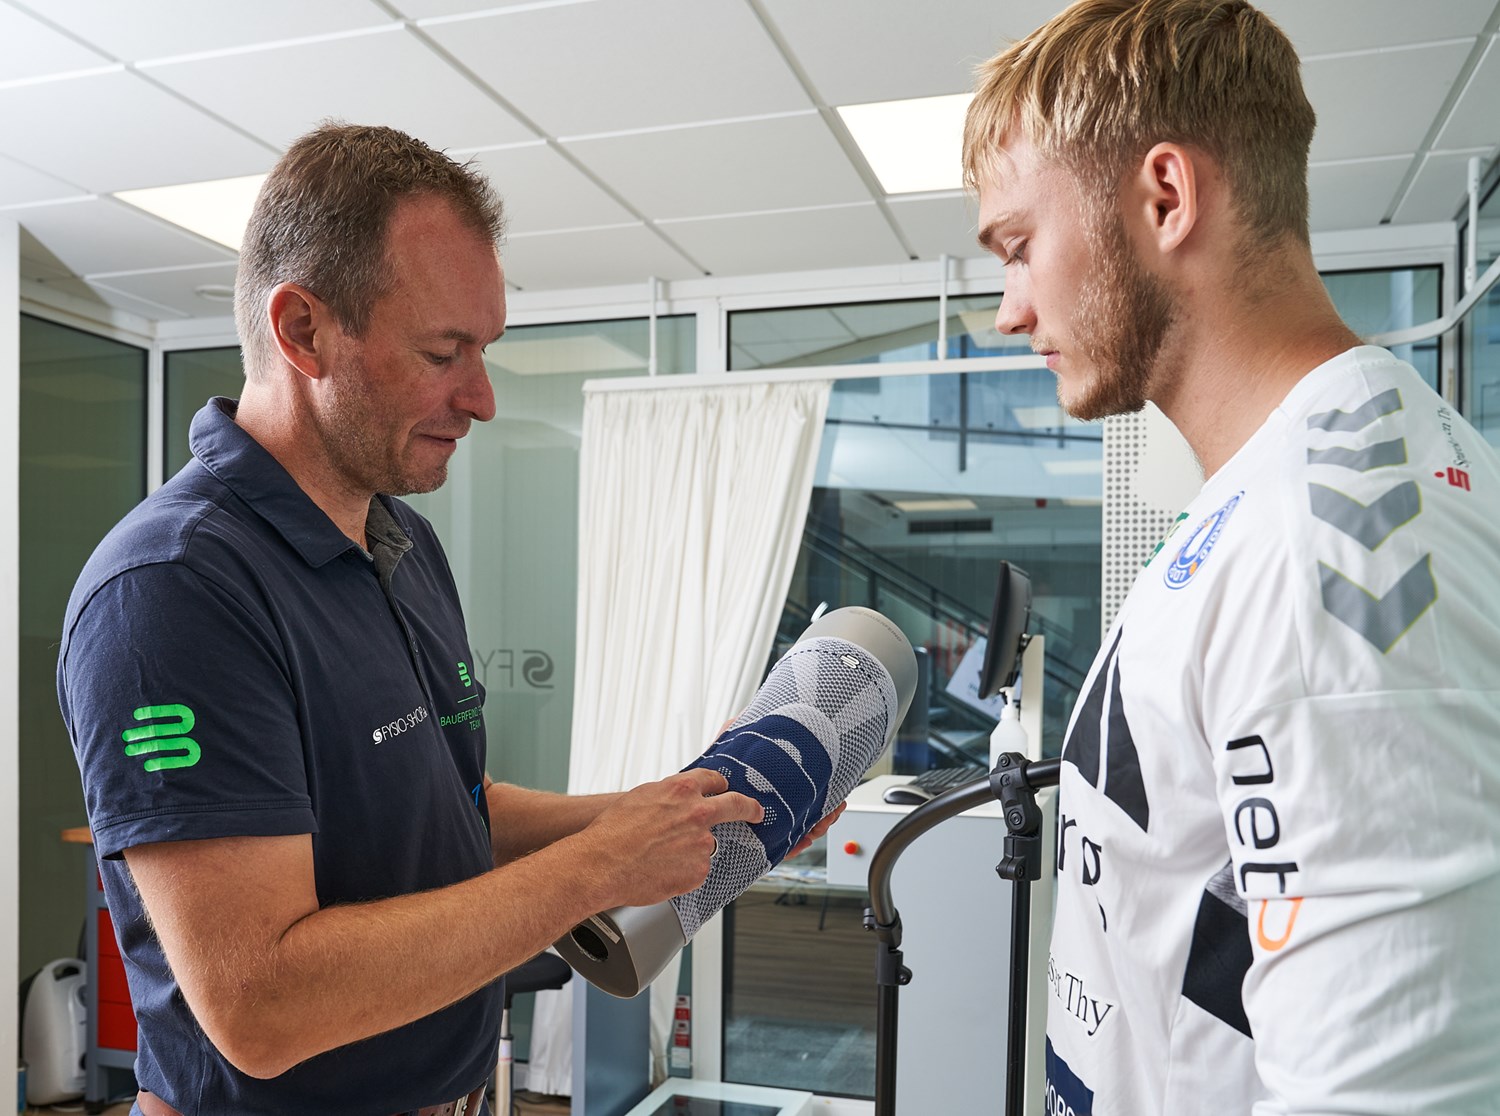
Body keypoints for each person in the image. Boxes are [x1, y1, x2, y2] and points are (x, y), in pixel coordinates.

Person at [55, 122, 819, 1116]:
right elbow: (261, 1005)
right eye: (443, 352)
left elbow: (449, 811)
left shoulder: (400, 541)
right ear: (303, 331)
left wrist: (666, 813)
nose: (483, 398)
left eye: (483, 349)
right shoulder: (171, 591)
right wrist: (596, 867)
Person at [964, 1, 1500, 1112]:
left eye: (1019, 247)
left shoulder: (1331, 546)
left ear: (1165, 197)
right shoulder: (1276, 492)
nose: (1010, 310)